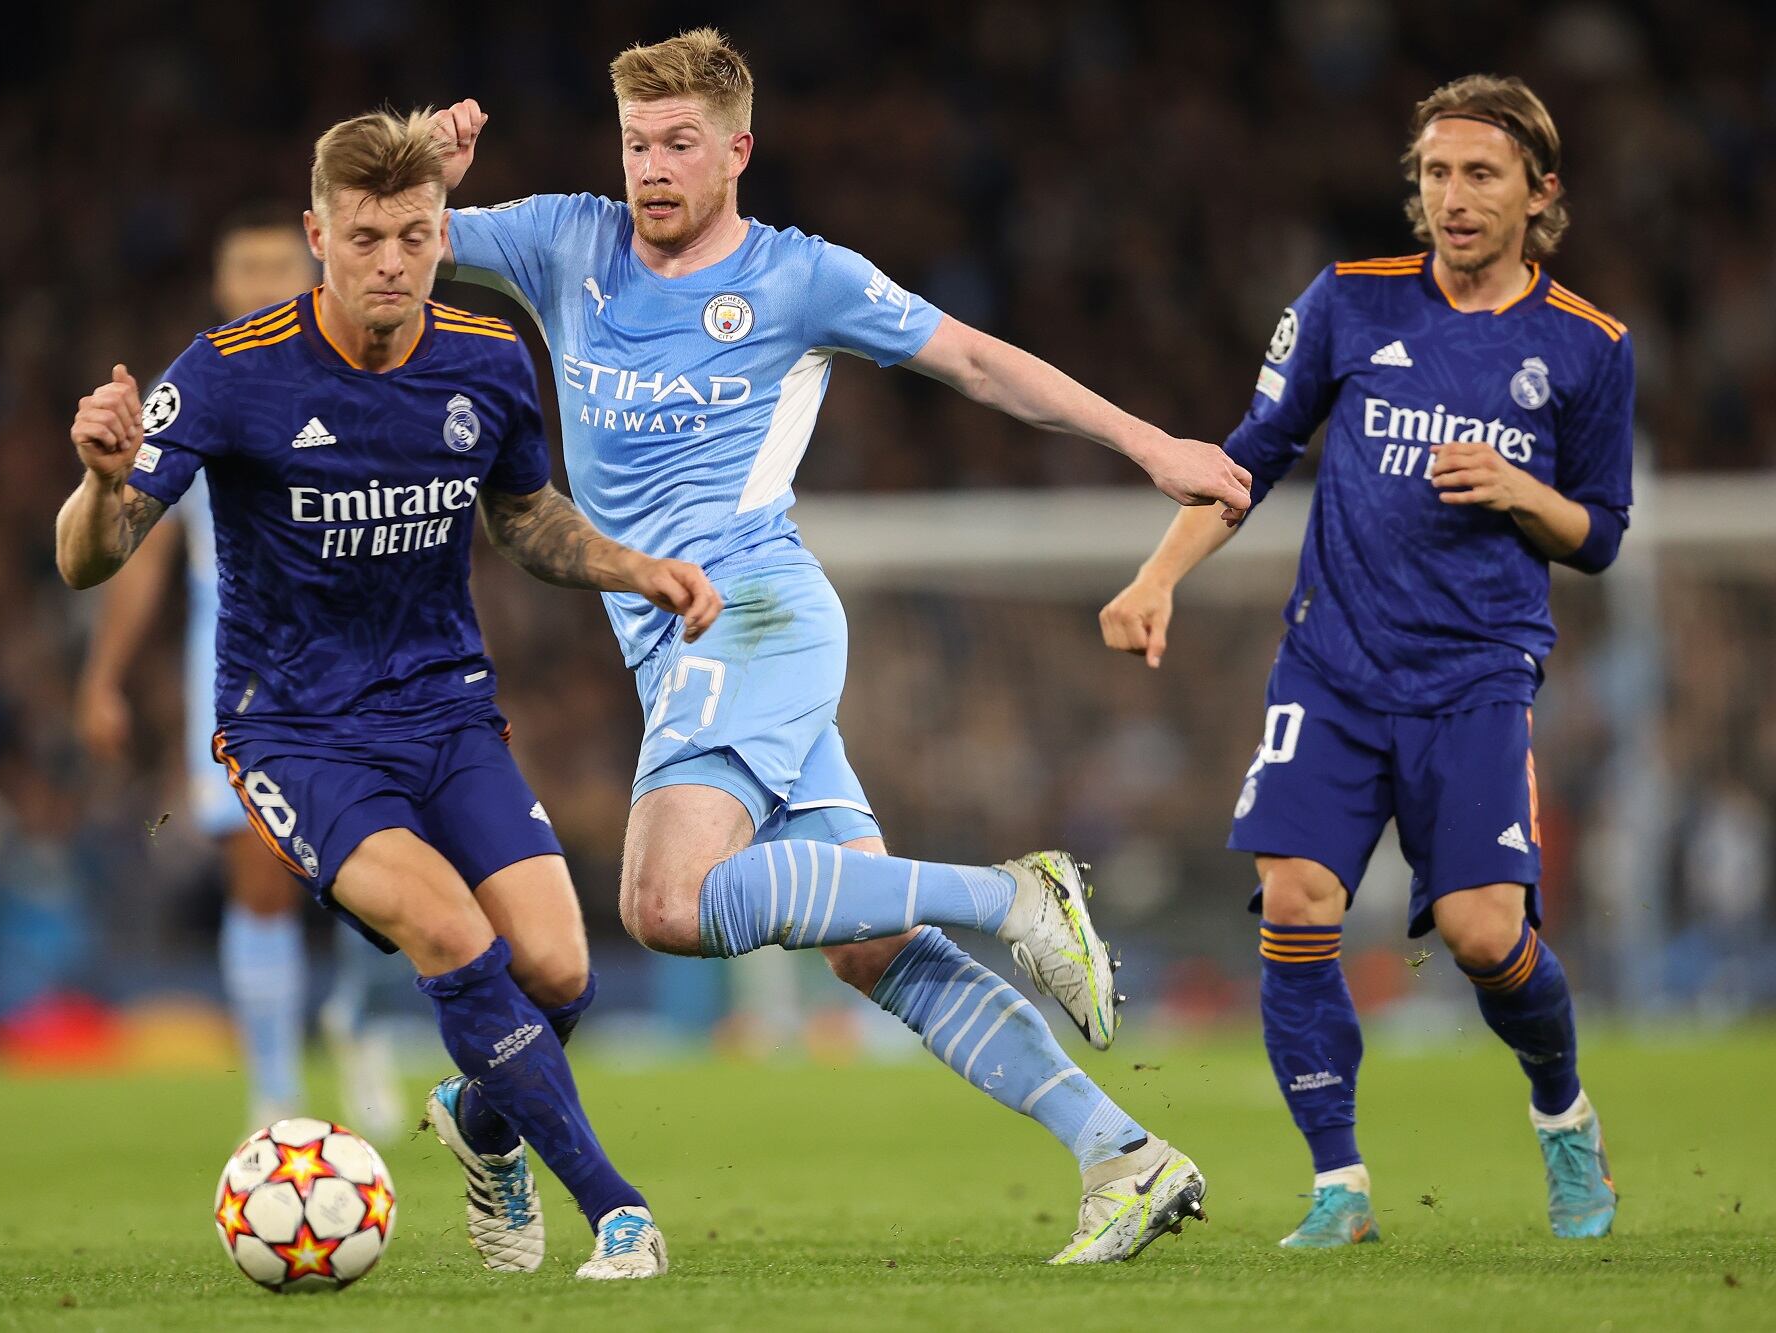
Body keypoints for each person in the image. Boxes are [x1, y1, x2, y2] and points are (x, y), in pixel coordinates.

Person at [428, 28, 1254, 1265]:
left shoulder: (799, 277)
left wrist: (1150, 449)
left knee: (662, 899)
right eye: (636, 143)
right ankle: (1120, 1154)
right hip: (672, 649)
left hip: (754, 613)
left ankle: (1011, 895)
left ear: (737, 151)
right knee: (868, 946)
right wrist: (422, 169)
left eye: (680, 145)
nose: (652, 169)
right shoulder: (563, 241)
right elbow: (375, 240)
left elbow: (975, 360)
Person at [54, 108, 721, 1280]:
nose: (391, 264)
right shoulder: (229, 370)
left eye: (414, 236)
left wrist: (626, 563)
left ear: (436, 233)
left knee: (560, 971)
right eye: (364, 237)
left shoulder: (486, 357)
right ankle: (615, 1211)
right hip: (295, 729)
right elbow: (90, 554)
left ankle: (477, 1118)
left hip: (445, 711)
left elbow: (522, 513)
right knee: (455, 938)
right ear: (319, 234)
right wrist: (101, 482)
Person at [1100, 75, 1629, 1247]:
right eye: (1433, 173)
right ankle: (1337, 1185)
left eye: (1479, 174)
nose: (1450, 196)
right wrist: (1155, 576)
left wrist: (1520, 491)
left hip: (1476, 679)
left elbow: (1600, 533)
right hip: (1330, 672)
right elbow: (1248, 457)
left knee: (1489, 935)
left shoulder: (1586, 349)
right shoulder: (1346, 302)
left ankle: (1560, 1110)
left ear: (1539, 194)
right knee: (1293, 903)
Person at [74, 205, 408, 1138]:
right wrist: (103, 677)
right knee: (258, 879)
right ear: (223, 289)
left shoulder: (358, 377)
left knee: (392, 881)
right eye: (244, 266)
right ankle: (275, 1097)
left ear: (307, 272)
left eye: (276, 264)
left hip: (367, 661)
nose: (262, 280)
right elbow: (139, 548)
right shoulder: (202, 389)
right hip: (240, 665)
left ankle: (360, 1016)